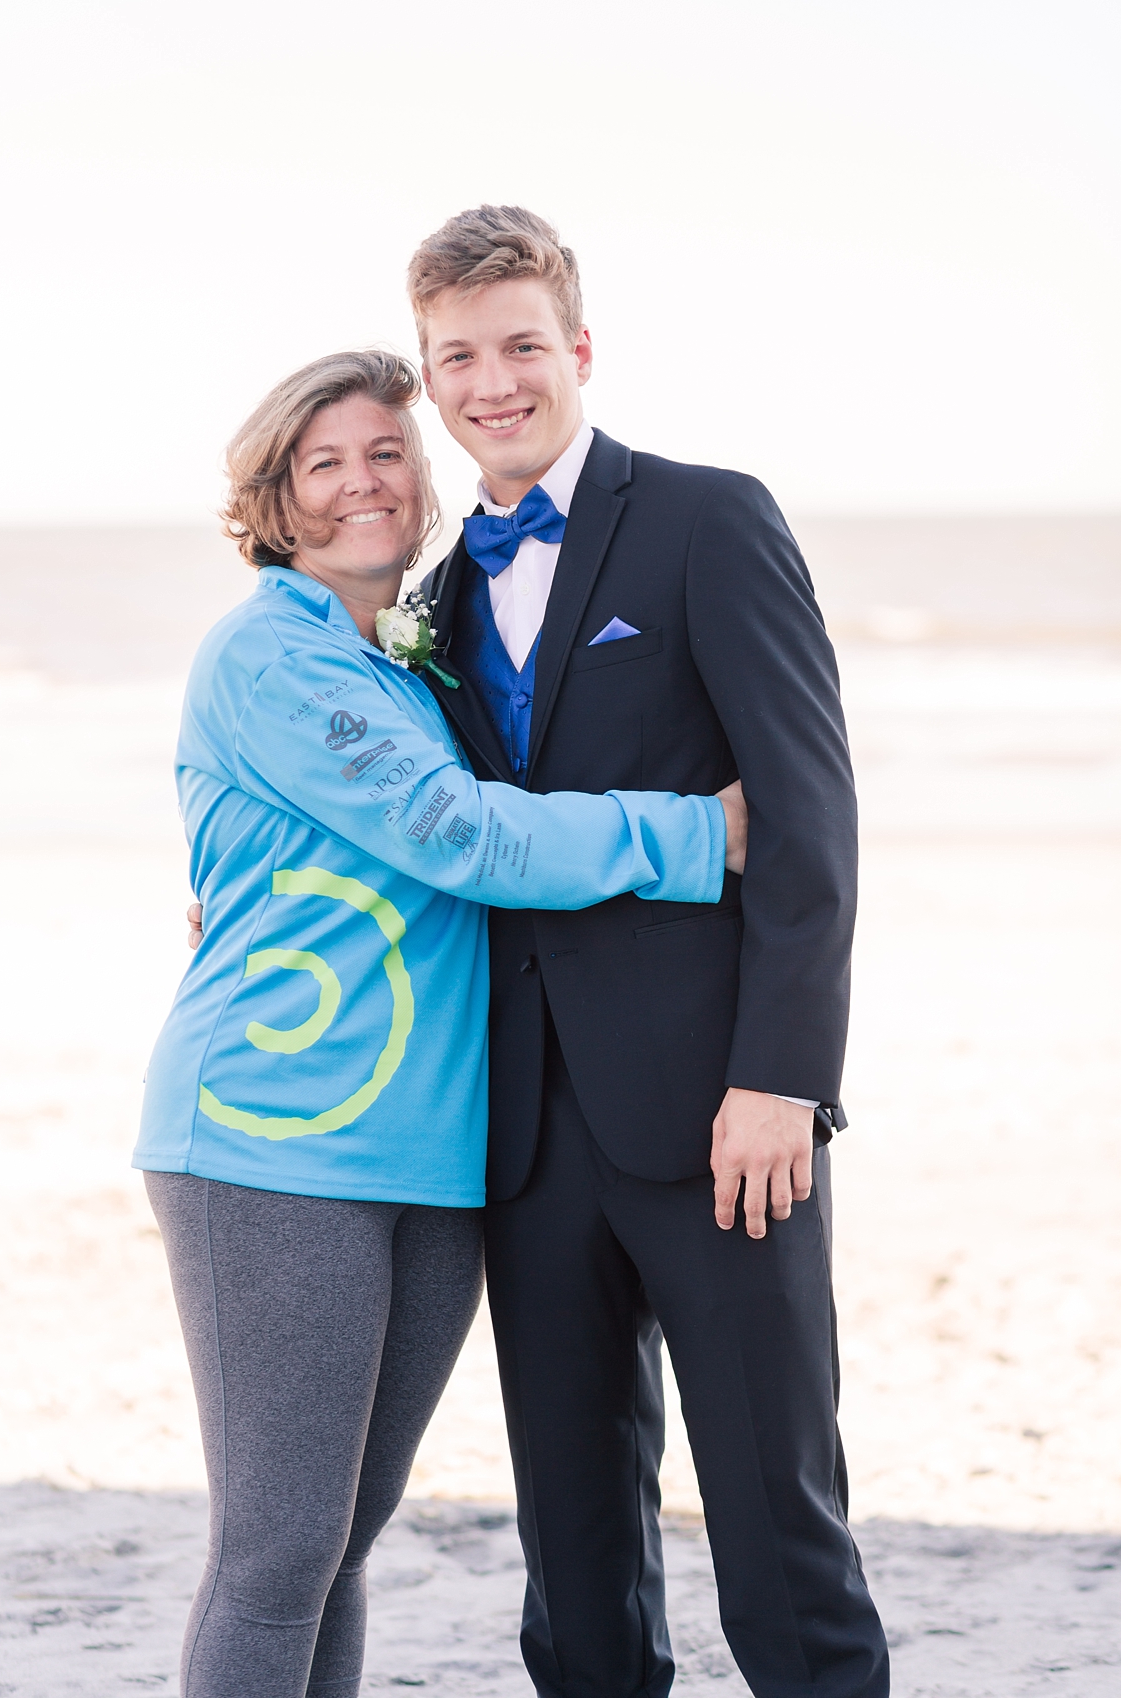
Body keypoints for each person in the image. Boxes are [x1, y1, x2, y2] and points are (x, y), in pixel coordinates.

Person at [137, 348, 746, 1698]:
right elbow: (456, 834)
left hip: (430, 1151)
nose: (363, 482)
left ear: (425, 484)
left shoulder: (408, 659)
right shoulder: (270, 653)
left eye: (387, 453)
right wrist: (700, 832)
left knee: (339, 1545)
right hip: (270, 1144)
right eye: (324, 461)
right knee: (276, 1552)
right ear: (275, 499)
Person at [405, 207, 891, 1698]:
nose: (495, 381)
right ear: (431, 380)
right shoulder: (431, 596)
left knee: (773, 1518)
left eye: (521, 346)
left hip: (717, 1121)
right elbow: (440, 841)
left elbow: (807, 824)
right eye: (458, 357)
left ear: (580, 350)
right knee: (574, 1550)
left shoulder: (705, 519)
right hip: (526, 1138)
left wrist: (781, 1081)